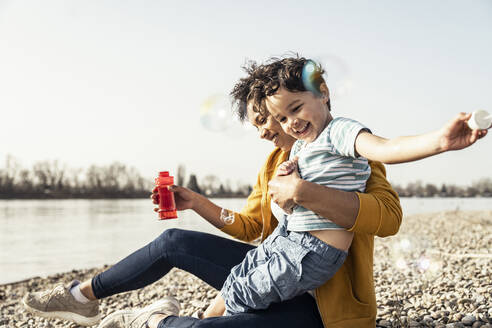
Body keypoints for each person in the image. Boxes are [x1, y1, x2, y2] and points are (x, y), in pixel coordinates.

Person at [23, 72, 404, 328]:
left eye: (263, 119)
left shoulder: (347, 154)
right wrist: (194, 202)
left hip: (323, 306)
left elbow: (389, 219)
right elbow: (251, 227)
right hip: (270, 275)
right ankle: (81, 296)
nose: (262, 131)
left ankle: (153, 320)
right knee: (174, 241)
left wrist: (307, 193)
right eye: (257, 123)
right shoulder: (274, 163)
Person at [200, 57, 491, 318]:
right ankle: (201, 320)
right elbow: (275, 214)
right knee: (237, 277)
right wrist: (287, 182)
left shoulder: (340, 132)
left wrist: (440, 141)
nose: (291, 123)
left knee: (245, 293)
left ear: (323, 93)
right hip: (287, 240)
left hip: (312, 252)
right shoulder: (302, 147)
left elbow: (388, 148)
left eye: (296, 108)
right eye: (282, 118)